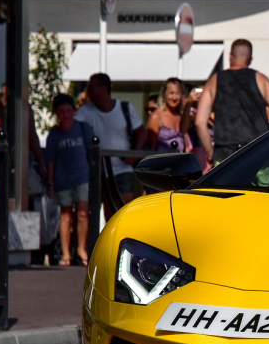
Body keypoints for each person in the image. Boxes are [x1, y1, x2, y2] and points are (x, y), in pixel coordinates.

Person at [196, 39, 269, 164]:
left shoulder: (214, 81)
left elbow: (200, 122)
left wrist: (211, 152)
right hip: (258, 150)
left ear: (230, 56)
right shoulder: (260, 79)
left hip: (225, 155)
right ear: (250, 60)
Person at [43, 93, 94, 267]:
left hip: (82, 176)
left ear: (73, 110)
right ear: (56, 113)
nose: (65, 114)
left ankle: (81, 249)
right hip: (62, 179)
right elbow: (50, 160)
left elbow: (92, 154)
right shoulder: (54, 135)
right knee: (65, 215)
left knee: (82, 213)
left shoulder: (83, 129)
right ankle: (66, 253)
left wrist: (95, 177)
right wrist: (49, 182)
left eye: (68, 110)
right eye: (61, 111)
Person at [75, 73, 138, 204]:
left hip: (123, 169)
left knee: (123, 206)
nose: (88, 92)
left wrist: (134, 153)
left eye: (91, 88)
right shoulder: (85, 111)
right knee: (108, 210)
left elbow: (142, 131)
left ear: (103, 89)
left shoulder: (125, 108)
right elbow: (72, 128)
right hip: (98, 171)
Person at [145, 77, 192, 154]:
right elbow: (150, 147)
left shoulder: (181, 116)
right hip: (162, 163)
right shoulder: (156, 116)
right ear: (164, 94)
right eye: (171, 93)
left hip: (180, 162)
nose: (174, 97)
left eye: (177, 93)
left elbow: (186, 145)